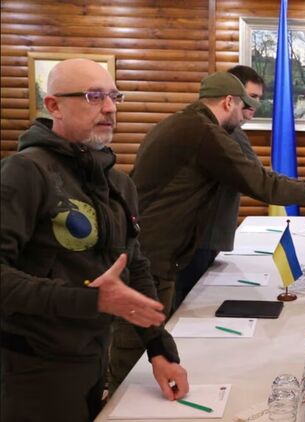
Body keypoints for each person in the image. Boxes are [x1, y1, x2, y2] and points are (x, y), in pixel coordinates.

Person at [109, 71, 305, 391]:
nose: (247, 112)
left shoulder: (182, 123)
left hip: (149, 246)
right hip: (154, 251)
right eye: (244, 105)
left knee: (146, 335)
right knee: (137, 344)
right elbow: (260, 182)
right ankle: (117, 403)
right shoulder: (203, 132)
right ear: (228, 102)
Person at [0, 58, 189, 421]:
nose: (110, 108)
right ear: (54, 105)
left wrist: (159, 348)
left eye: (114, 96)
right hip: (33, 368)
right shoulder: (24, 172)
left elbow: (134, 265)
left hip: (94, 357)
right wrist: (91, 300)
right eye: (93, 96)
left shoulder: (117, 183)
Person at [174, 65, 303, 308]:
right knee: (188, 309)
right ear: (231, 97)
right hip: (197, 240)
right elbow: (260, 182)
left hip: (197, 237)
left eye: (258, 98)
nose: (254, 105)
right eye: (250, 97)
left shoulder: (209, 126)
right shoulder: (224, 133)